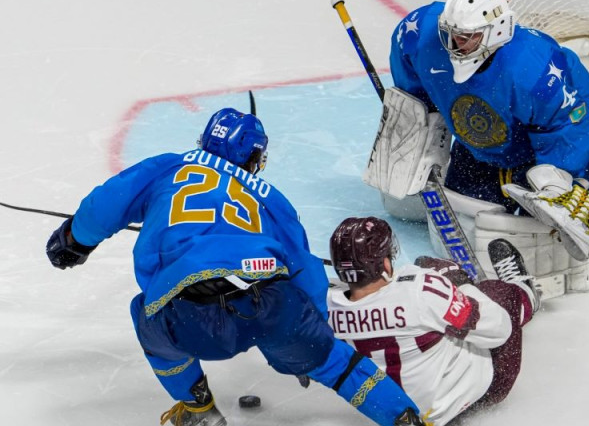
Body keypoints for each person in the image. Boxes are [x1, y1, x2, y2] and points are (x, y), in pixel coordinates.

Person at [45, 107, 429, 426]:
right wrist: (310, 334)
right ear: (253, 157)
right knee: (335, 363)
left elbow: (105, 205)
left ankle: (200, 412)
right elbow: (305, 269)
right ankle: (403, 417)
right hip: (272, 303)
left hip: (189, 313)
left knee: (147, 318)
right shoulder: (271, 198)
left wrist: (73, 242)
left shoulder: (169, 168)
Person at [363, 0, 589, 266]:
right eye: (450, 33)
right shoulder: (421, 33)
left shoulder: (536, 70)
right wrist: (419, 125)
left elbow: (570, 125)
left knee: (549, 246)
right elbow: (411, 79)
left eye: (466, 37)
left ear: (496, 31)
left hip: (557, 143)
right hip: (480, 144)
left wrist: (557, 183)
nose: (454, 44)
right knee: (461, 232)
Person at [327, 216, 541, 425]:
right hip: (479, 393)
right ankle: (526, 294)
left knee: (431, 316)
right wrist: (460, 284)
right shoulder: (422, 290)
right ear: (383, 263)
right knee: (498, 294)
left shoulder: (325, 306)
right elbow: (499, 329)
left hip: (398, 416)